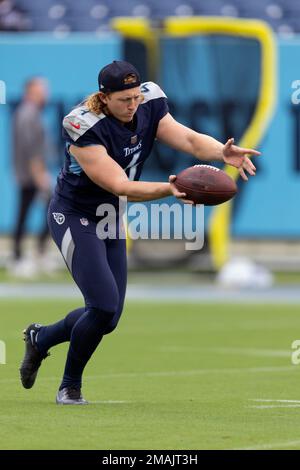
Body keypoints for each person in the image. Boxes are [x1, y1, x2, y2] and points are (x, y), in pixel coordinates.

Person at [19, 60, 259, 405]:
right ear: (104, 97)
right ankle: (70, 386)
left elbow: (189, 140)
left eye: (135, 96)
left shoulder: (149, 104)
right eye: (124, 100)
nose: (133, 105)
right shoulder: (81, 125)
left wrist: (221, 151)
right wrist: (172, 188)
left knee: (108, 317)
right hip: (75, 216)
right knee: (101, 305)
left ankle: (40, 339)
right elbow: (119, 184)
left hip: (111, 216)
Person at [11, 77, 52, 277]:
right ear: (31, 90)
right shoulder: (27, 113)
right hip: (30, 175)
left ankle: (35, 253)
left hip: (30, 173)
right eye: (42, 89)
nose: (46, 92)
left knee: (30, 212)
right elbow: (31, 148)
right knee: (29, 212)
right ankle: (20, 257)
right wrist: (39, 174)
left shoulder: (32, 112)